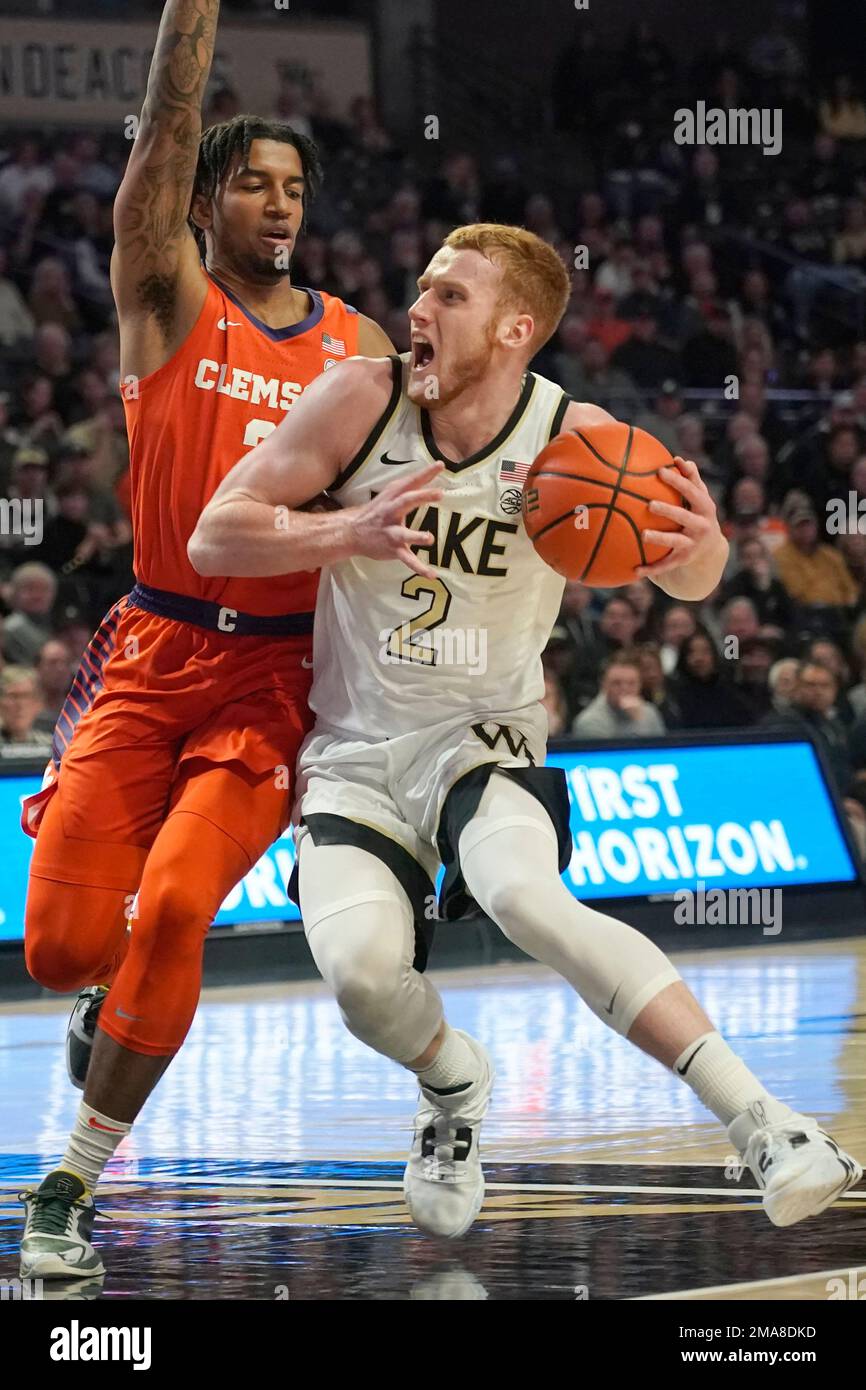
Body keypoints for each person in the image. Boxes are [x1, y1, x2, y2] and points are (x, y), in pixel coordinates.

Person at [192, 221, 860, 1241]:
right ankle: (454, 1086)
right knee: (362, 976)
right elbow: (214, 532)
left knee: (523, 894)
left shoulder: (576, 440)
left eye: (448, 296)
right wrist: (343, 530)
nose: (416, 307)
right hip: (353, 754)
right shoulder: (358, 399)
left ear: (515, 329)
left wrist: (706, 549)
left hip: (484, 734)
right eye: (421, 286)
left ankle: (768, 1125)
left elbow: (688, 574)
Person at [18, 0, 393, 1282]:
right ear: (202, 202)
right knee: (62, 948)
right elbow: (159, 145)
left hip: (275, 673)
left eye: (293, 187)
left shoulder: (358, 345)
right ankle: (100, 987)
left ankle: (70, 1181)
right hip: (152, 646)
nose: (277, 204)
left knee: (180, 901)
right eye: (250, 183)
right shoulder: (165, 294)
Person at [572, 653, 665, 738]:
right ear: (604, 686)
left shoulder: (650, 713)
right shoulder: (590, 721)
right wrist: (638, 722)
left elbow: (661, 748)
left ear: (640, 685)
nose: (625, 689)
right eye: (617, 683)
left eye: (631, 683)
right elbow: (625, 750)